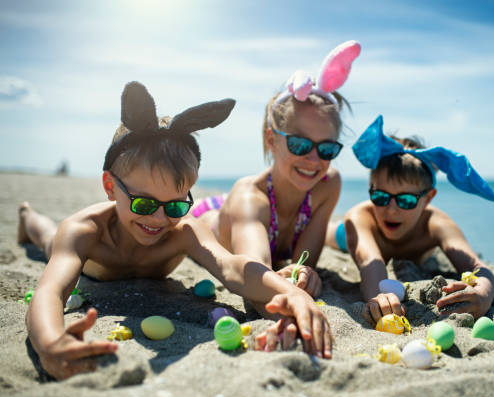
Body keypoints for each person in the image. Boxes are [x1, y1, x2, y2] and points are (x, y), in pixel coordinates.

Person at [18, 81, 332, 380]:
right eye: (143, 204)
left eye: (174, 206)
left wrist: (288, 291)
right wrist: (49, 344)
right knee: (47, 237)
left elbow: (232, 267)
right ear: (110, 186)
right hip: (95, 267)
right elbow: (50, 292)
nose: (158, 219)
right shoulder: (84, 231)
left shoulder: (182, 230)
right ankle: (27, 215)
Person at [192, 40, 361, 351]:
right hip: (216, 214)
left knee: (332, 234)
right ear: (272, 140)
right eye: (299, 144)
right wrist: (288, 304)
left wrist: (302, 276)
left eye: (326, 149)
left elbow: (301, 262)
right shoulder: (251, 197)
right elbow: (254, 270)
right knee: (217, 218)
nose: (313, 159)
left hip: (268, 220)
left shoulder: (327, 184)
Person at [325, 115, 494, 326]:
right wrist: (379, 295)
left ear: (428, 198)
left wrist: (482, 293)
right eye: (380, 196)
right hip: (352, 236)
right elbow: (370, 263)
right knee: (329, 233)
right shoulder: (361, 216)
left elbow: (479, 268)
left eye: (406, 200)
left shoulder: (435, 223)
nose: (391, 210)